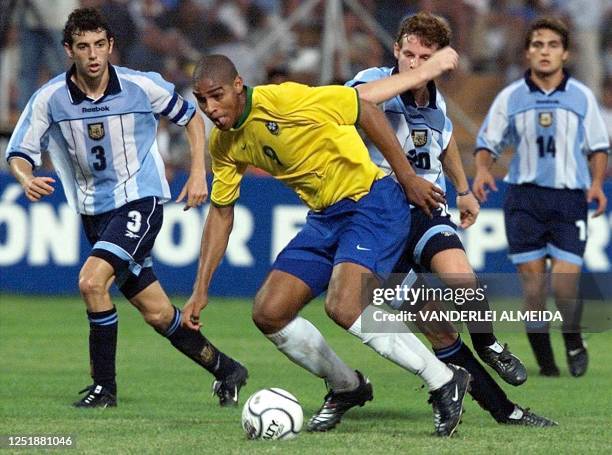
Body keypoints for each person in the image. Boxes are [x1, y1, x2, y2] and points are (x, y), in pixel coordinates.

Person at [186, 53, 471, 437]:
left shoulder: (285, 101)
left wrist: (406, 178)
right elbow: (221, 215)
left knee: (344, 304)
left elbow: (363, 108)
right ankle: (347, 386)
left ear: (238, 85)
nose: (210, 108)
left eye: (216, 96)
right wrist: (200, 290)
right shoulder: (223, 144)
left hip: (372, 202)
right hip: (325, 218)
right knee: (269, 312)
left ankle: (443, 380)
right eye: (201, 100)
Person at [5, 8, 247, 408]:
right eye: (83, 47)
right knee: (157, 313)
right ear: (69, 50)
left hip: (140, 200)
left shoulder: (140, 86)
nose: (93, 54)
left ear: (111, 46)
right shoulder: (49, 98)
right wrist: (25, 177)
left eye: (100, 44)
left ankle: (105, 388)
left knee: (91, 282)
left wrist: (200, 173)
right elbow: (19, 151)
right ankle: (227, 369)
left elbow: (191, 119)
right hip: (94, 214)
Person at [346, 11, 556, 427]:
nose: (414, 62)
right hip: (378, 221)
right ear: (396, 51)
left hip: (426, 211)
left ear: (438, 57)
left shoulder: (437, 101)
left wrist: (462, 190)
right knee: (439, 331)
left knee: (463, 280)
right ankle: (506, 411)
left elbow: (443, 148)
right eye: (408, 54)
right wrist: (418, 74)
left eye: (425, 56)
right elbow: (355, 104)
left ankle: (492, 344)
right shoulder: (371, 81)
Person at [473, 17, 609, 377]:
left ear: (565, 53)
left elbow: (598, 147)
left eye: (552, 45)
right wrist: (484, 170)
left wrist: (596, 183)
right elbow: (488, 142)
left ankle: (573, 338)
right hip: (525, 200)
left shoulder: (581, 97)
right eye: (537, 45)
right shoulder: (510, 97)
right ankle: (546, 362)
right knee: (533, 290)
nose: (544, 52)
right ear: (527, 53)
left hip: (568, 200)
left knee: (564, 284)